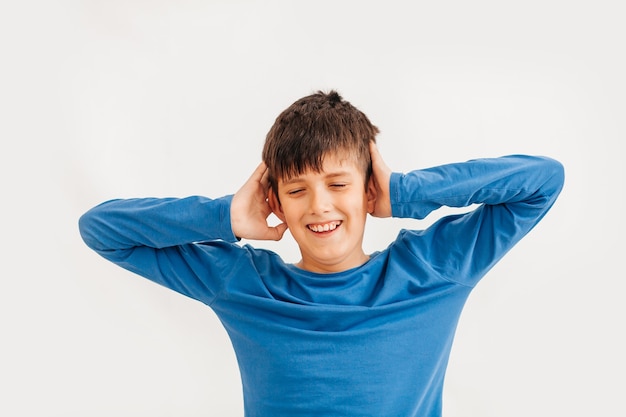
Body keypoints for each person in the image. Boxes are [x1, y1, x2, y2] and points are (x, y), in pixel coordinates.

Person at [79, 90, 564, 417]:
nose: (320, 206)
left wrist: (407, 192)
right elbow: (102, 229)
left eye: (338, 184)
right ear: (275, 203)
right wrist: (226, 216)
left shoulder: (432, 269)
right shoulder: (244, 283)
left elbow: (543, 180)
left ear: (367, 190)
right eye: (297, 191)